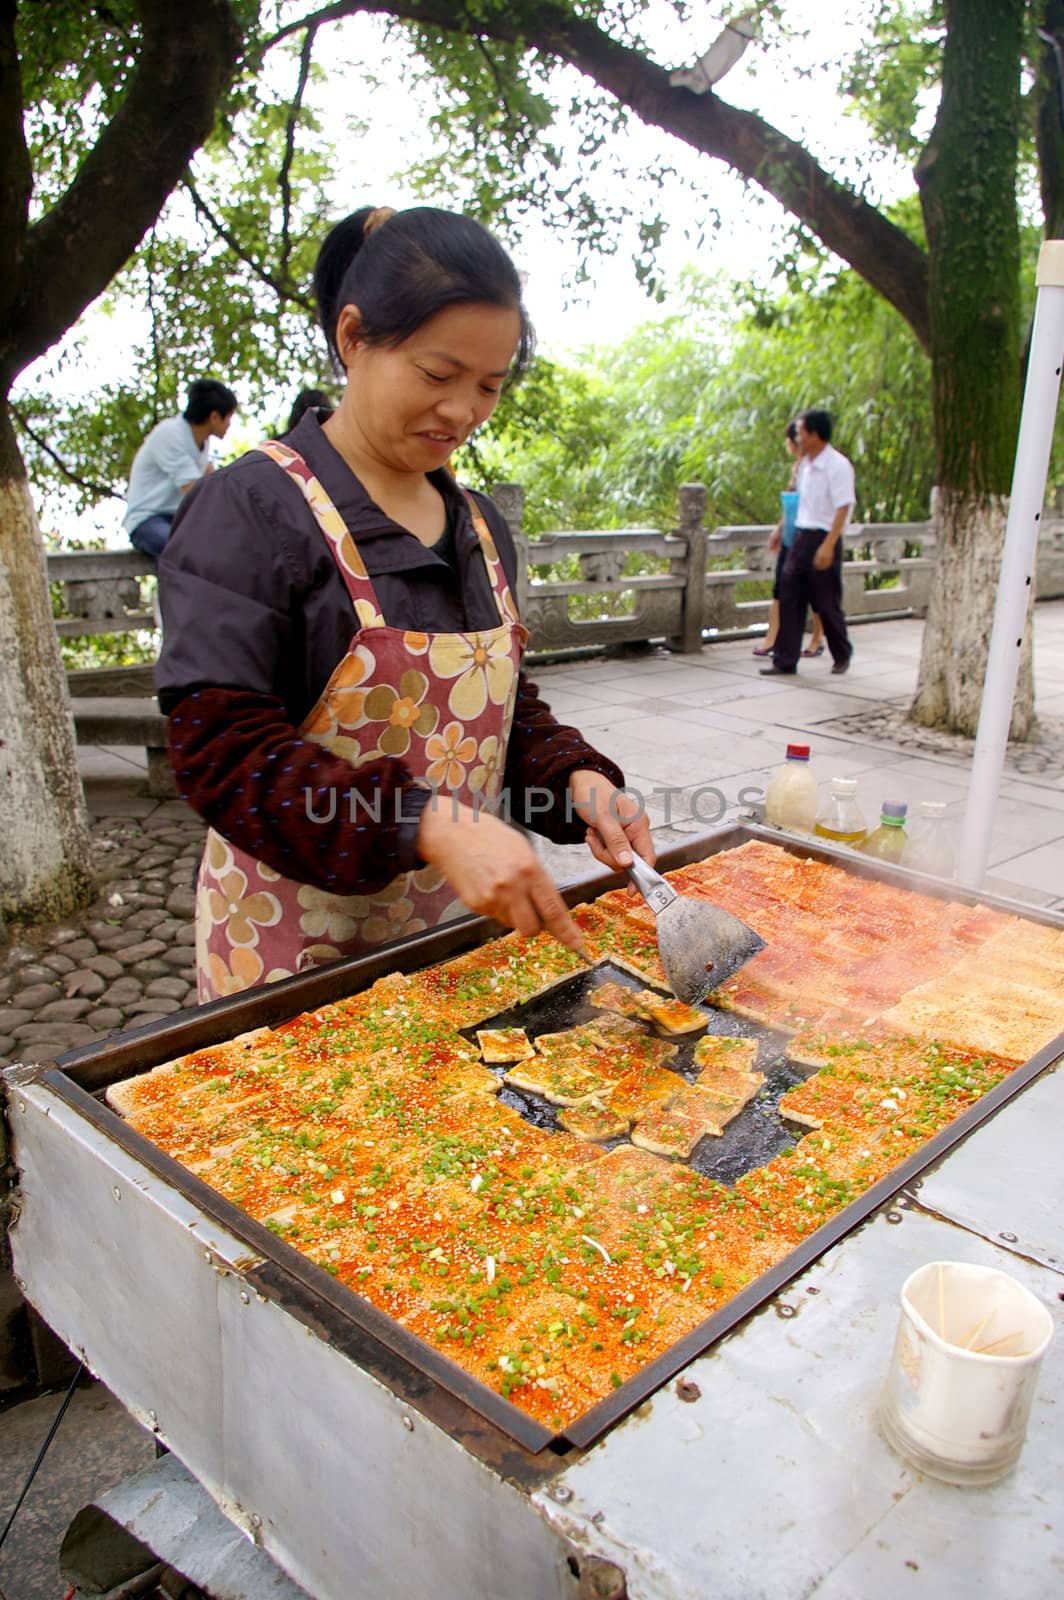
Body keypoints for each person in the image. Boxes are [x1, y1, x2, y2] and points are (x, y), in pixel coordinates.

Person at [157, 204, 652, 1002]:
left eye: (489, 386)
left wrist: (574, 783)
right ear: (353, 337)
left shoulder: (479, 526)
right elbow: (222, 752)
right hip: (295, 955)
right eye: (437, 375)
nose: (462, 411)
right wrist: (427, 822)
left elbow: (495, 714)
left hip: (450, 942)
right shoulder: (252, 510)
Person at [761, 408, 854, 677]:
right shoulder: (805, 466)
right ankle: (784, 660)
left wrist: (829, 544)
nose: (797, 437)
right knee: (789, 596)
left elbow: (843, 506)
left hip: (824, 536)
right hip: (800, 535)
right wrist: (780, 529)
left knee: (825, 602)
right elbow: (799, 502)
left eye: (801, 432)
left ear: (815, 434)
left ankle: (842, 653)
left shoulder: (837, 465)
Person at [124, 379, 238, 558]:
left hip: (178, 519)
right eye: (229, 417)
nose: (230, 424)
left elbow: (212, 479)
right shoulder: (170, 434)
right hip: (148, 519)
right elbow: (194, 491)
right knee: (183, 550)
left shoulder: (201, 440)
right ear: (214, 417)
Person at [752, 420, 824, 659]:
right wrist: (779, 529)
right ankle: (772, 637)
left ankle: (817, 638)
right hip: (790, 535)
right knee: (780, 587)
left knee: (815, 591)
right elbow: (792, 505)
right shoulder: (798, 468)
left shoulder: (819, 467)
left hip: (811, 537)